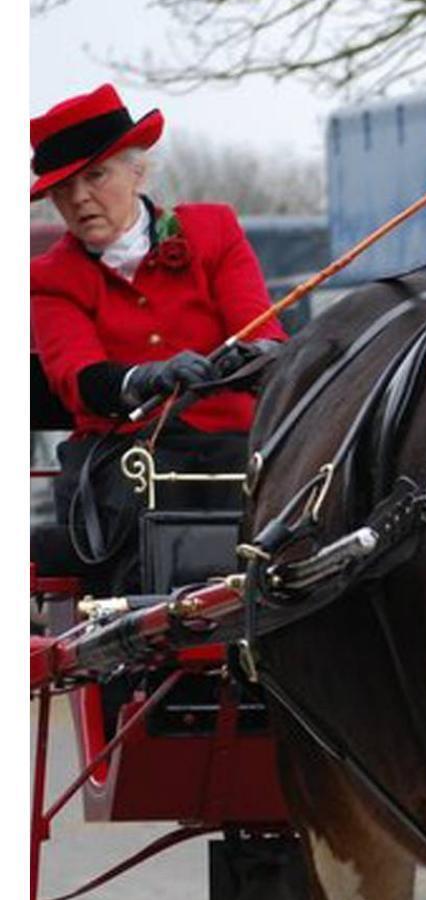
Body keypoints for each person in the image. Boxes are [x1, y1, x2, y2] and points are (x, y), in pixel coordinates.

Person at [30, 83, 287, 593]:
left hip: (235, 450)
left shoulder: (214, 231)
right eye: (64, 189)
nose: (79, 199)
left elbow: (262, 332)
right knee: (138, 491)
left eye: (95, 176)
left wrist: (250, 356)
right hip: (123, 461)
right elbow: (76, 376)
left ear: (138, 170)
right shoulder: (49, 278)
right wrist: (147, 377)